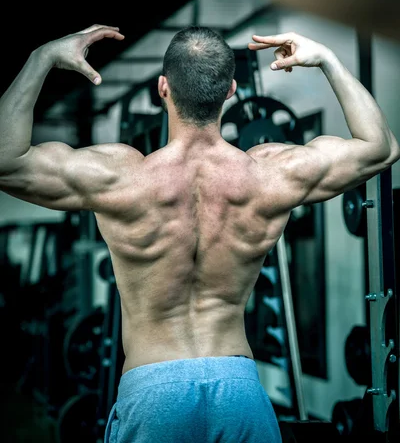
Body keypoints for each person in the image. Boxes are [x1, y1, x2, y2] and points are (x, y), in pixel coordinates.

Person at [0, 24, 398, 443]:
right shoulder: (268, 175)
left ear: (163, 88)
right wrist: (326, 60)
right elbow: (382, 147)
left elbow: (6, 162)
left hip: (154, 393)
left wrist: (41, 57)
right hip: (237, 389)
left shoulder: (120, 176)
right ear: (230, 90)